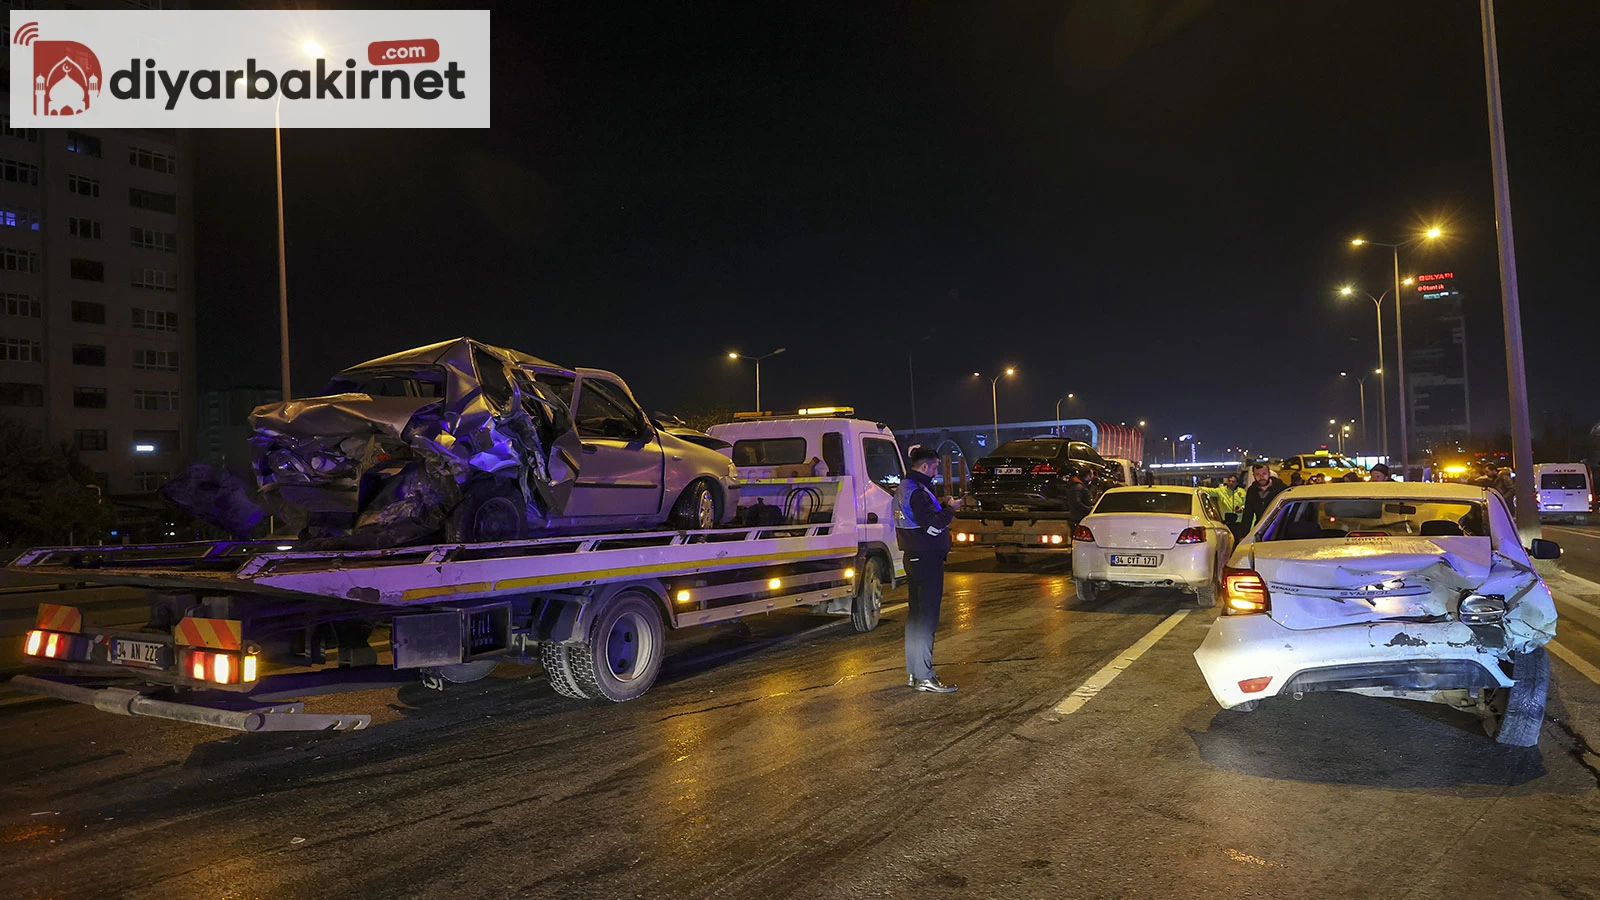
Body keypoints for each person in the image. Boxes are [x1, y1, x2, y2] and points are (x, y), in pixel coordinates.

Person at [895, 446, 959, 693]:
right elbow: (933, 527)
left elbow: (919, 518)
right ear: (924, 466)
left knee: (916, 617)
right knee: (927, 619)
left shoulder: (904, 488)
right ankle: (925, 675)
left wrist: (941, 506)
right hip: (927, 559)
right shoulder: (918, 492)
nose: (935, 471)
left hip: (913, 558)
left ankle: (914, 673)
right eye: (934, 466)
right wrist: (951, 509)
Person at [1242, 462, 1287, 533]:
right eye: (1258, 474)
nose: (1261, 477)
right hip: (1260, 529)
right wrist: (1243, 534)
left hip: (1279, 529)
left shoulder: (1281, 488)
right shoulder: (1252, 491)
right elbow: (1248, 514)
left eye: (1264, 474)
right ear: (1253, 475)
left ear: (1269, 473)